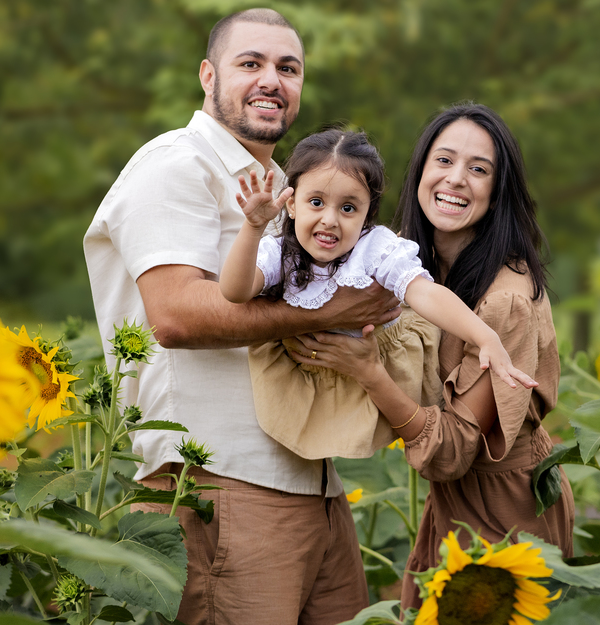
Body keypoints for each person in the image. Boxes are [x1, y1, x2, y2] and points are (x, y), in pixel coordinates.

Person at [83, 8, 400, 625]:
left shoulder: (292, 187)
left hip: (314, 486)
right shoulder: (176, 166)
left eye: (288, 68)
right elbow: (174, 315)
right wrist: (337, 308)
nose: (271, 80)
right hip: (218, 483)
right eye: (249, 64)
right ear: (208, 75)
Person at [289, 103, 576, 608]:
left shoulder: (504, 302)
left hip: (507, 518)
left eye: (479, 169)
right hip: (450, 511)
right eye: (444, 161)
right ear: (420, 170)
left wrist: (368, 372)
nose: (457, 179)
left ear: (498, 189)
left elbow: (453, 452)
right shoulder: (415, 271)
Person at [218, 129, 535, 460]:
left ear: (368, 215)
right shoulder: (279, 251)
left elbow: (424, 293)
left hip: (368, 379)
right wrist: (253, 228)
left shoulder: (374, 248)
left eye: (349, 208)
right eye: (316, 202)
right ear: (292, 204)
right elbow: (235, 292)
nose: (330, 220)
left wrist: (485, 337)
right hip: (298, 383)